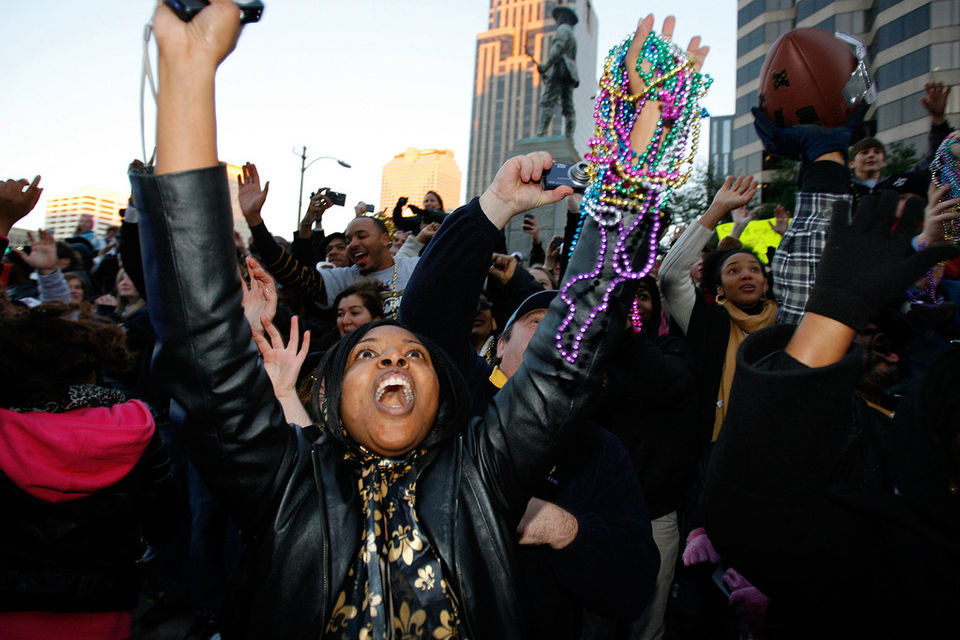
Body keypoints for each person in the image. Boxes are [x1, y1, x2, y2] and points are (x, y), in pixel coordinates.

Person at [131, 3, 705, 637]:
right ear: (328, 399)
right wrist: (187, 74)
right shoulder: (289, 489)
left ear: (445, 398)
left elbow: (573, 342)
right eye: (367, 355)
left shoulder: (482, 478)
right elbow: (201, 352)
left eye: (415, 354)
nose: (394, 360)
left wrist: (633, 150)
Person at [700, 191, 960, 638]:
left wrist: (917, 254)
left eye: (887, 339)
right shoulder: (885, 513)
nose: (881, 347)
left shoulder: (902, 412)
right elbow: (753, 512)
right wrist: (834, 312)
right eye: (864, 335)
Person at [0, 301, 179, 640]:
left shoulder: (4, 429)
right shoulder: (136, 424)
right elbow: (164, 523)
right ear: (91, 366)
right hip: (106, 603)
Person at [535, 6, 579, 140]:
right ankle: (569, 138)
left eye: (560, 16)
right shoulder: (572, 35)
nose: (558, 19)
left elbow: (558, 48)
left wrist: (547, 65)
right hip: (570, 72)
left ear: (565, 18)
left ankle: (541, 135)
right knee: (568, 106)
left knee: (548, 100)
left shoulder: (563, 30)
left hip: (560, 68)